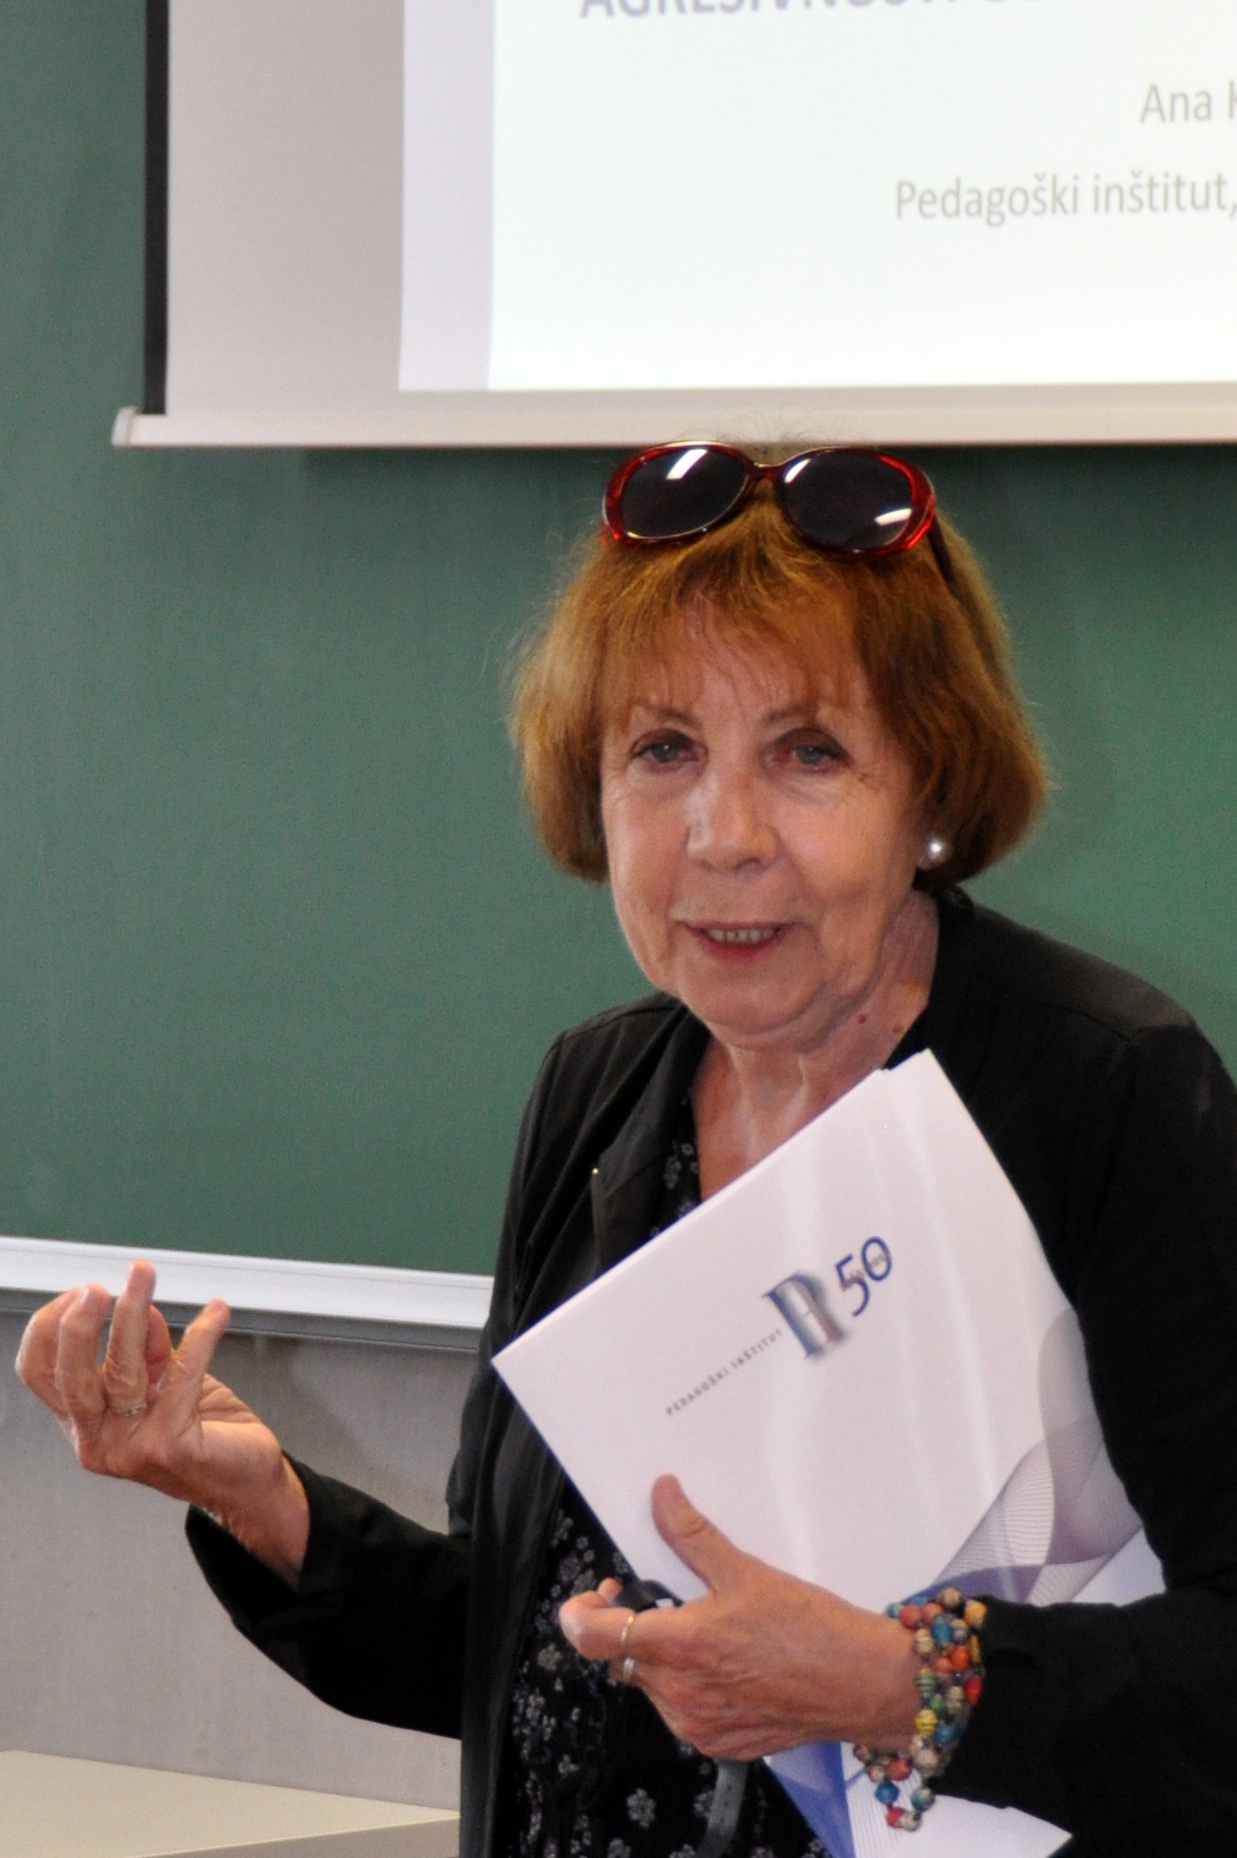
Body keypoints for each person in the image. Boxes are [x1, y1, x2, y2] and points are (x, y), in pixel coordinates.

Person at [15, 444, 1237, 1858]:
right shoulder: (598, 1096)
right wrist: (259, 1499)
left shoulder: (1098, 1086)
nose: (723, 835)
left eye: (808, 751)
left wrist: (897, 1683)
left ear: (930, 790)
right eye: (662, 751)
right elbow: (533, 1653)